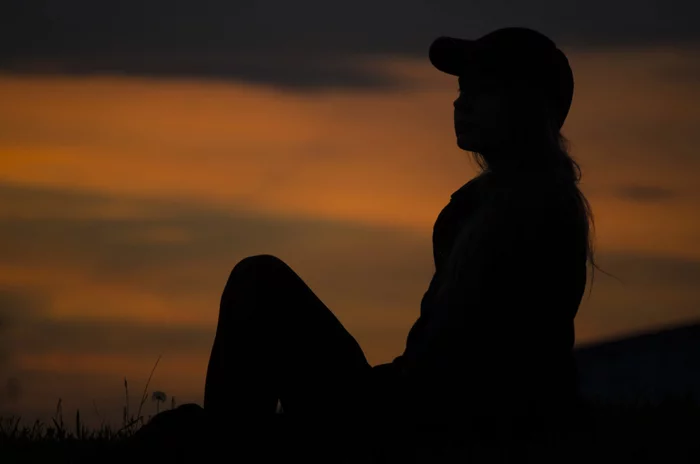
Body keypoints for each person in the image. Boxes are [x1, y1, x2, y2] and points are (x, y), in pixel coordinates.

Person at [128, 26, 596, 458]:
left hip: (424, 428)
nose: (461, 102)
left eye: (481, 89)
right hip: (414, 409)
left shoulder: (527, 211)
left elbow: (472, 373)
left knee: (257, 283)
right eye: (461, 89)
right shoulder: (503, 201)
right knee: (244, 314)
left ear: (524, 104)